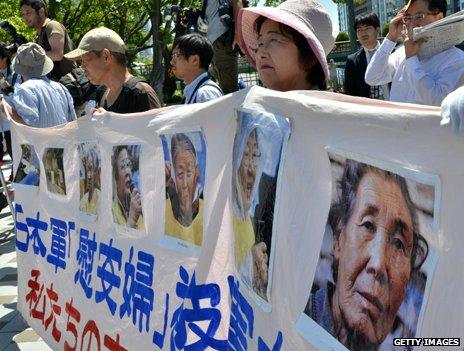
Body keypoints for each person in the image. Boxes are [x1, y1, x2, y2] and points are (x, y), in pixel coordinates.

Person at [306, 160, 428, 350]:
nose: (378, 264)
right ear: (339, 239)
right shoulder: (293, 309)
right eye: (368, 225)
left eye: (398, 244)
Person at [365, 0, 464, 106]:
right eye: (407, 18)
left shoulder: (457, 58)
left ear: (439, 18)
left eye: (419, 16)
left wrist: (411, 59)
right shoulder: (401, 52)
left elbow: (437, 101)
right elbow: (372, 77)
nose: (412, 24)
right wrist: (391, 37)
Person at [237, 0, 334, 92]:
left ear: (311, 56)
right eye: (260, 43)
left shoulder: (327, 108)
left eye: (274, 39)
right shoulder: (251, 106)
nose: (260, 54)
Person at [64, 27, 161, 114]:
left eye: (85, 60)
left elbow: (158, 133)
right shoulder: (101, 92)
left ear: (106, 56)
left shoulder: (140, 93)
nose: (82, 67)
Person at [0, 43, 76, 128]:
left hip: (42, 141)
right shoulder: (61, 87)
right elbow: (72, 121)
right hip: (64, 140)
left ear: (20, 68)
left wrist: (5, 107)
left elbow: (28, 127)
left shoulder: (25, 89)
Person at [232, 127, 269, 299]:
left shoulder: (245, 216)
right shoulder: (223, 218)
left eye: (255, 155)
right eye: (245, 154)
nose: (251, 169)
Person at [20, 0, 75, 81]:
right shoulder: (38, 37)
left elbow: (57, 55)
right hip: (56, 86)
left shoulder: (52, 26)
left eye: (28, 13)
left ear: (41, 11)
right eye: (23, 14)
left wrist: (31, 57)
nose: (25, 17)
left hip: (70, 85)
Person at [165, 133, 203, 245]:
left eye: (189, 172)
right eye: (180, 174)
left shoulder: (206, 212)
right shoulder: (163, 211)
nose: (185, 184)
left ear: (196, 174)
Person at [344, 12, 389, 100]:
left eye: (367, 28)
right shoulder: (352, 61)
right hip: (367, 110)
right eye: (359, 30)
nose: (363, 33)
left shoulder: (392, 54)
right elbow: (350, 94)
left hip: (393, 106)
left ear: (377, 30)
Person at [205, 0, 244, 94]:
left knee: (230, 90)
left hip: (222, 38)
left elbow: (237, 2)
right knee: (223, 88)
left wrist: (238, 32)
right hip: (213, 41)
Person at [171, 33, 222, 104]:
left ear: (194, 60)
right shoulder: (196, 91)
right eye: (172, 56)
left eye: (176, 55)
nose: (171, 61)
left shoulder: (205, 94)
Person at [112, 146, 143, 230]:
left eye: (128, 164)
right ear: (114, 176)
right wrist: (132, 220)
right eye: (122, 167)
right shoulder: (109, 209)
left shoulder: (134, 201)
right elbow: (113, 241)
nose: (128, 171)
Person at [0, 41, 21, 161]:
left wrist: (3, 83)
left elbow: (18, 99)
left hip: (12, 122)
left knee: (16, 155)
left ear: (4, 58)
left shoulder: (16, 73)